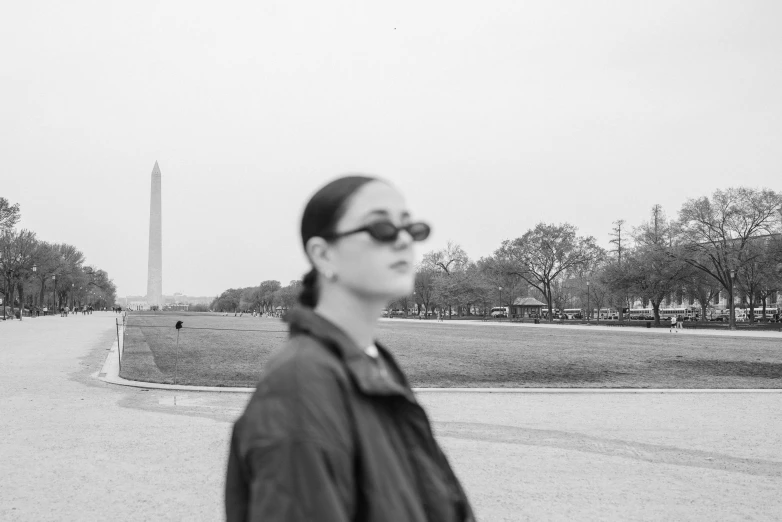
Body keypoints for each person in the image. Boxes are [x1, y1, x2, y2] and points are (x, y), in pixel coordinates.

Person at [226, 175, 474, 521]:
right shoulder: (300, 385)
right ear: (323, 254)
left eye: (410, 228)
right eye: (381, 228)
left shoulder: (374, 361)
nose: (404, 240)